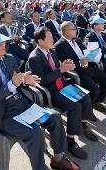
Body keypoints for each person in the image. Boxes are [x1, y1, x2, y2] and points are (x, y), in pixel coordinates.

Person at [0, 28, 79, 170]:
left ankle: (58, 158)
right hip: (5, 113)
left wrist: (26, 80)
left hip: (22, 103)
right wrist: (11, 85)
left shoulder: (9, 58)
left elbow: (19, 79)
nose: (2, 45)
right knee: (35, 133)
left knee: (55, 116)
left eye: (3, 42)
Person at [27, 27, 98, 160]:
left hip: (62, 85)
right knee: (75, 106)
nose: (53, 40)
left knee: (85, 97)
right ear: (40, 40)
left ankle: (82, 125)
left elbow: (57, 67)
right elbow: (42, 80)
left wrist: (65, 66)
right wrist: (61, 70)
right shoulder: (34, 58)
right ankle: (70, 141)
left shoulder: (51, 51)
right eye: (50, 39)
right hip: (52, 91)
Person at [54, 21, 106, 113]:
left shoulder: (77, 40)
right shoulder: (59, 46)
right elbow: (63, 65)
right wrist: (79, 62)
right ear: (65, 31)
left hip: (89, 67)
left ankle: (95, 102)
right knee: (95, 89)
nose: (76, 30)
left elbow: (85, 52)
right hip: (78, 72)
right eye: (73, 29)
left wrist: (92, 55)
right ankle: (88, 110)